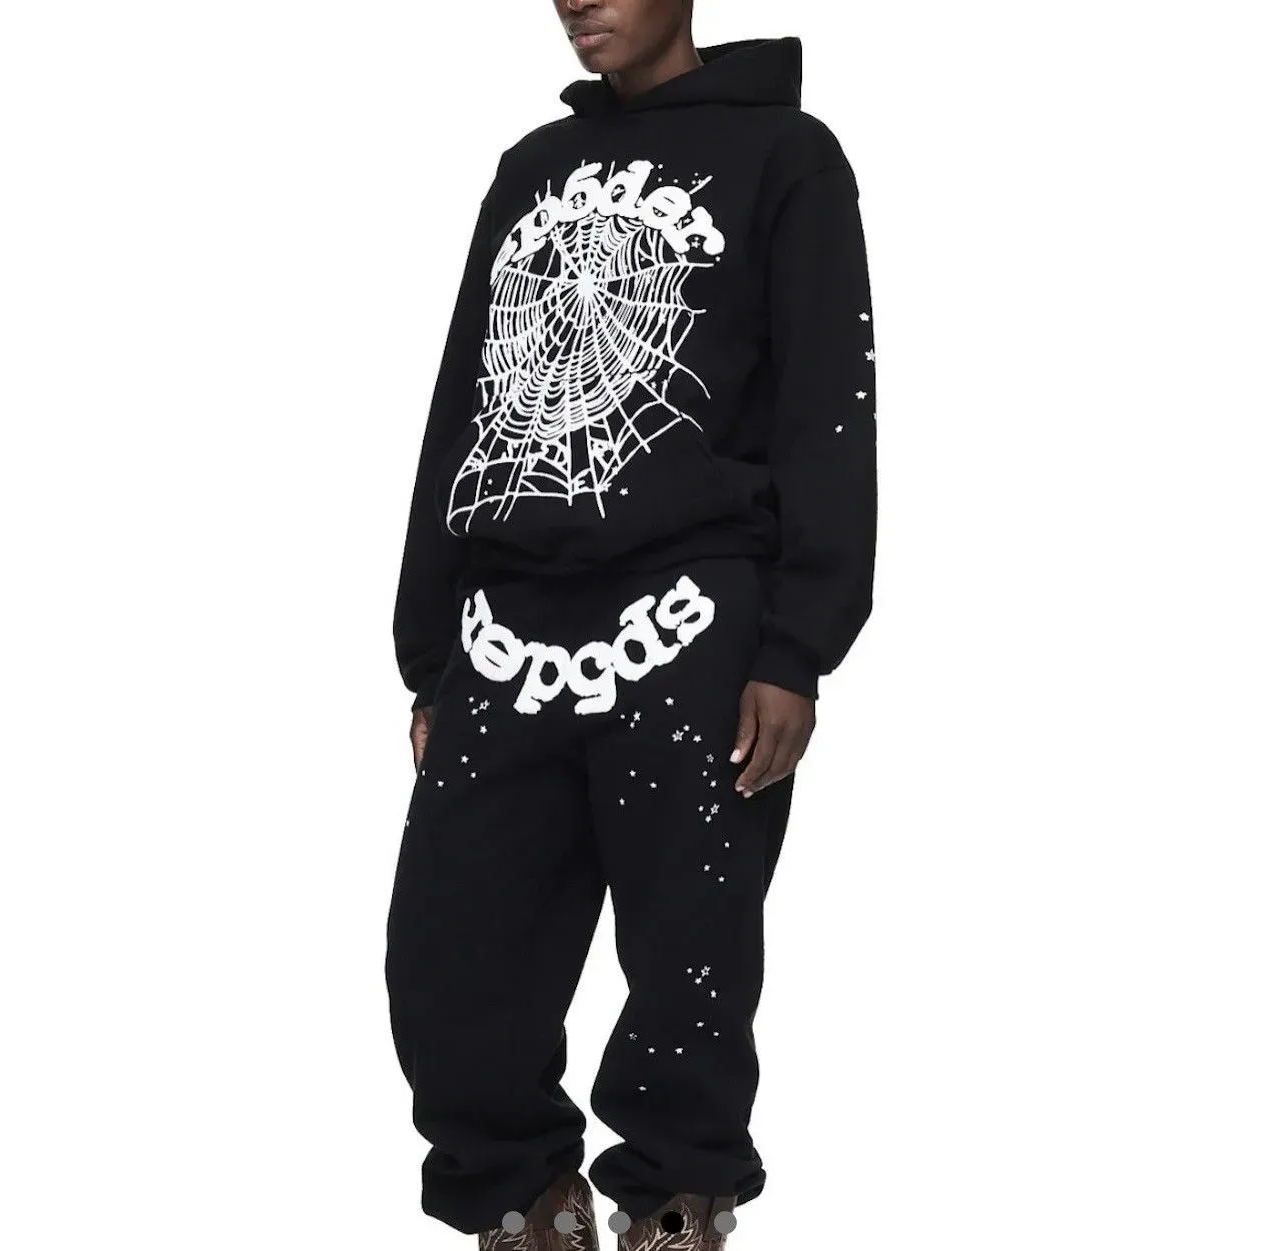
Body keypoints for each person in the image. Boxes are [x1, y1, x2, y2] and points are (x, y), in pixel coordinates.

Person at [386, 2, 876, 1247]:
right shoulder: (531, 169)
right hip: (506, 624)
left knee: (687, 960)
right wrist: (429, 649)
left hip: (695, 615)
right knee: (449, 952)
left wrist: (798, 645)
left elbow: (828, 405)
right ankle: (525, 1209)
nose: (577, 0)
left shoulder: (787, 155)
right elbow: (467, 398)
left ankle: (675, 1205)